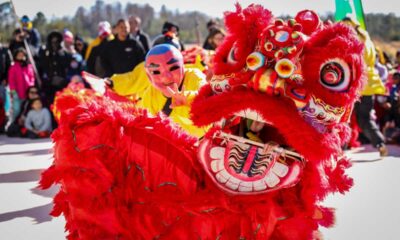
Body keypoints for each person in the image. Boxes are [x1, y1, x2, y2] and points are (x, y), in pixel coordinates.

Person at [108, 44, 207, 137]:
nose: (166, 78)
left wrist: (189, 99)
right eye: (156, 72)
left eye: (173, 68)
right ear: (149, 77)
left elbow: (206, 96)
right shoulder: (151, 93)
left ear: (183, 67)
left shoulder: (194, 76)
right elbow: (144, 121)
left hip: (203, 146)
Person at [343, 17, 388, 156]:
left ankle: (340, 147)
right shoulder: (366, 38)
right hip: (368, 85)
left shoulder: (353, 39)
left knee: (344, 117)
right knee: (364, 119)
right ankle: (380, 143)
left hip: (355, 84)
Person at [38, 31, 72, 105]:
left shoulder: (64, 53)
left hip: (61, 84)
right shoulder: (45, 53)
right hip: (48, 85)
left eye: (56, 41)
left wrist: (64, 80)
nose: (54, 43)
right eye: (52, 41)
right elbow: (42, 67)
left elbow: (68, 68)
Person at [8, 48, 35, 121]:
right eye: (19, 55)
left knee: (26, 110)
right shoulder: (13, 67)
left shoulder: (29, 66)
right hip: (17, 93)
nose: (21, 57)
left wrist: (31, 88)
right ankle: (12, 124)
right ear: (16, 56)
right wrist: (13, 91)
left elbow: (32, 78)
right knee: (16, 109)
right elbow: (11, 80)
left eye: (22, 55)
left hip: (28, 92)